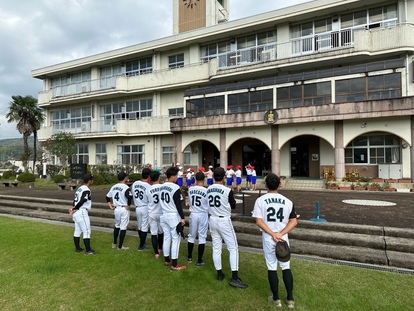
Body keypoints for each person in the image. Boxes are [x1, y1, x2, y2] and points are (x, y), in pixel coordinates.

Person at [251, 173, 298, 309]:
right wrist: (280, 234)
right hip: (283, 238)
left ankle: (276, 299)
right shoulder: (288, 201)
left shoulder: (260, 200)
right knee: (286, 266)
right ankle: (290, 299)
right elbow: (294, 221)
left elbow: (258, 221)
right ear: (279, 184)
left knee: (272, 266)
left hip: (268, 237)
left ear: (266, 185)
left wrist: (272, 233)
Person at [207, 167, 248, 288]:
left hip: (212, 219)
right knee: (233, 248)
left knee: (216, 247)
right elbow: (233, 205)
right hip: (223, 219)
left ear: (214, 176)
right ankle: (234, 277)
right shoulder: (227, 190)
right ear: (224, 176)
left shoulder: (208, 189)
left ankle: (219, 274)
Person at [159, 166, 187, 270]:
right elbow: (179, 204)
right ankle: (174, 264)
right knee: (175, 239)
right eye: (176, 176)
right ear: (172, 176)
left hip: (163, 214)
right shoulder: (175, 188)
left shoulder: (161, 186)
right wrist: (182, 218)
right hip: (172, 215)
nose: (177, 177)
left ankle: (167, 260)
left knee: (167, 237)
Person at [70, 173, 97, 255]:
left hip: (77, 212)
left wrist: (74, 208)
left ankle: (77, 248)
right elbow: (83, 200)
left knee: (77, 230)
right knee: (87, 231)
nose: (93, 180)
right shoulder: (86, 189)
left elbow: (75, 201)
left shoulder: (79, 188)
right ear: (89, 181)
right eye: (92, 179)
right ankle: (88, 250)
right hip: (81, 211)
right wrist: (75, 208)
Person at [106, 172, 133, 250]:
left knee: (117, 225)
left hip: (116, 209)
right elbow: (129, 197)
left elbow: (107, 197)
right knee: (123, 227)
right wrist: (128, 205)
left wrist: (110, 205)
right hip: (123, 208)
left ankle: (114, 243)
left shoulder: (114, 186)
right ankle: (120, 246)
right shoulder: (126, 187)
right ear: (125, 178)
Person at [187, 171, 208, 266]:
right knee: (202, 237)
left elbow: (188, 201)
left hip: (193, 213)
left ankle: (189, 257)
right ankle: (199, 260)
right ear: (204, 179)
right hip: (202, 214)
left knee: (191, 236)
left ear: (195, 179)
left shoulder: (190, 189)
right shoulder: (206, 191)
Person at [131, 167, 152, 251]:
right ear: (149, 176)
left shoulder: (135, 183)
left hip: (137, 207)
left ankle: (142, 242)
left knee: (140, 226)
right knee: (144, 227)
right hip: (145, 207)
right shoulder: (148, 186)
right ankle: (141, 245)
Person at [146, 171, 164, 258]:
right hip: (161, 212)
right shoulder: (163, 187)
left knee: (153, 233)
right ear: (159, 178)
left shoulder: (148, 189)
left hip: (152, 212)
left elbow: (147, 200)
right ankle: (160, 248)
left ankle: (156, 253)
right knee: (161, 232)